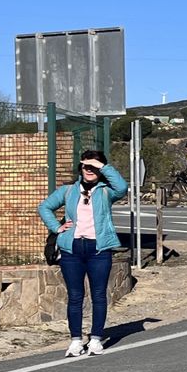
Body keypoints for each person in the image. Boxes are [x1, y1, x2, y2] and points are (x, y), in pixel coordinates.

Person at [39, 149, 129, 356]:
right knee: (75, 296)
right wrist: (56, 227)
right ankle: (76, 340)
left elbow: (122, 187)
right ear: (80, 168)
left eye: (94, 167)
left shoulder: (107, 191)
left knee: (98, 294)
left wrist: (102, 166)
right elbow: (44, 207)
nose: (90, 170)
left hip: (99, 249)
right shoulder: (68, 190)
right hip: (72, 249)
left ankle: (96, 339)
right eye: (86, 166)